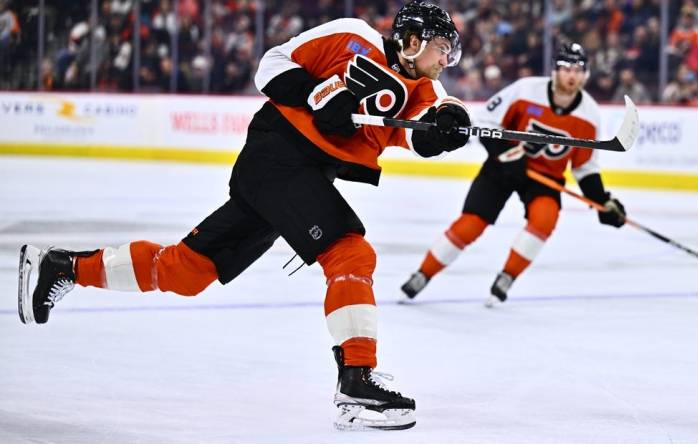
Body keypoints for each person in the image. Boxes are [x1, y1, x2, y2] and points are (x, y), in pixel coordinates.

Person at [17, 1, 470, 431]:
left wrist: (451, 126)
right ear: (413, 39)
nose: (446, 59)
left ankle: (63, 267)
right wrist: (316, 95)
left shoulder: (425, 89)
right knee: (350, 253)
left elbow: (428, 127)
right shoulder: (352, 35)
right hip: (276, 155)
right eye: (443, 47)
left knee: (185, 271)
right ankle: (356, 382)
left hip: (299, 177)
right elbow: (271, 65)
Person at [400, 42, 626, 308]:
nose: (572, 75)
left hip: (545, 178)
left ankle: (506, 277)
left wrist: (601, 200)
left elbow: (584, 167)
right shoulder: (526, 90)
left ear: (586, 74)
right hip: (502, 168)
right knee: (471, 223)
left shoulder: (589, 114)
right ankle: (422, 274)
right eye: (566, 68)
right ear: (555, 71)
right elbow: (486, 122)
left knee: (544, 220)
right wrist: (508, 157)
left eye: (578, 69)